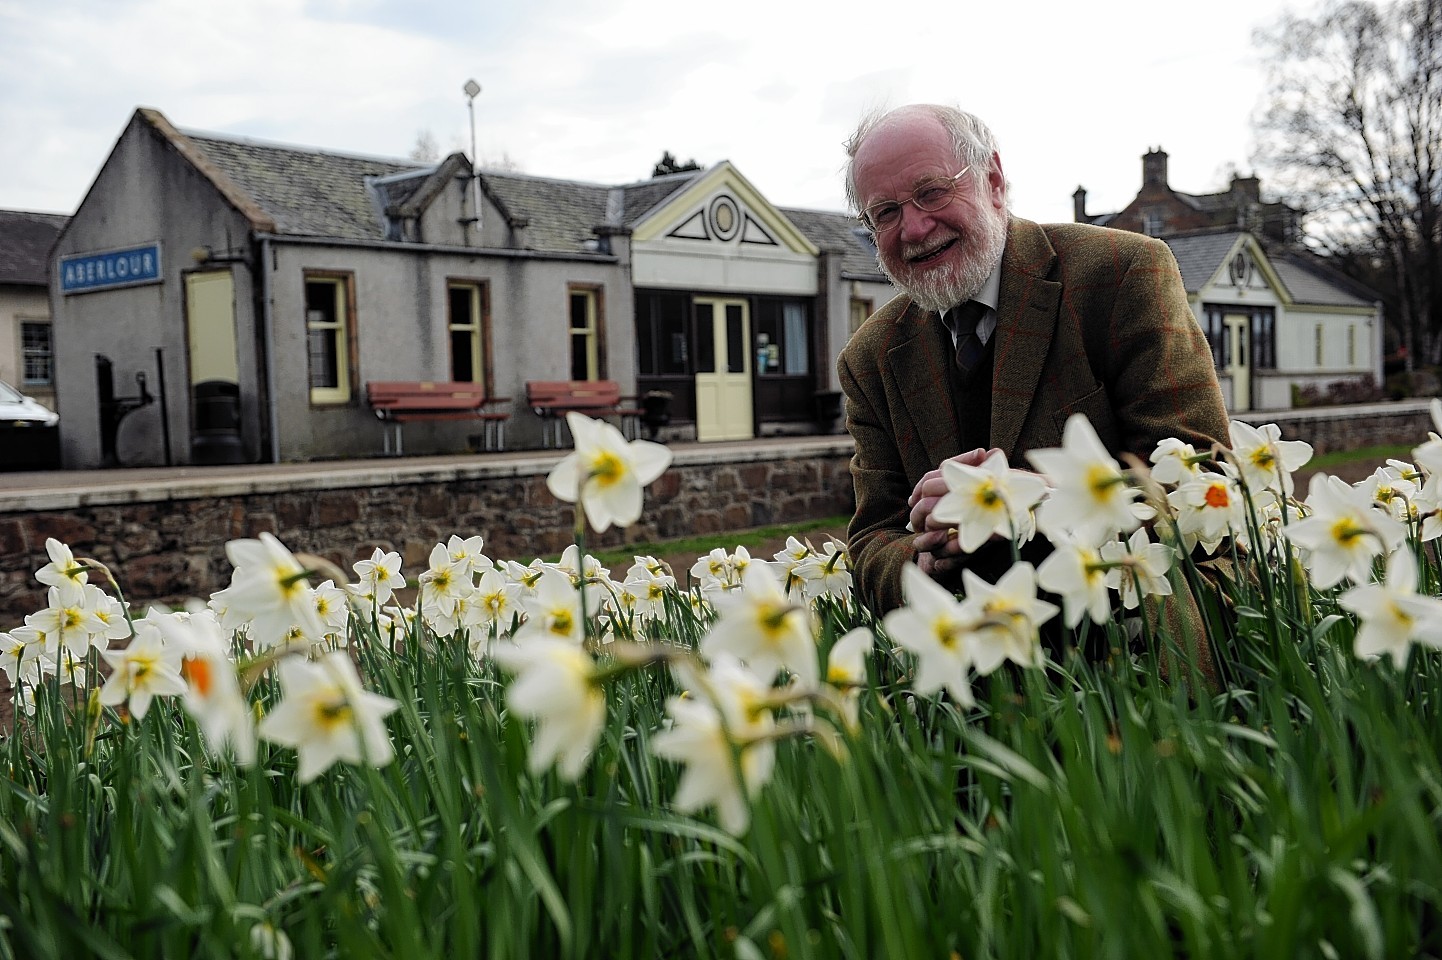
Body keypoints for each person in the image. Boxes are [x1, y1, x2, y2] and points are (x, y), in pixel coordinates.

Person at [838, 104, 1229, 618]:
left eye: (931, 192)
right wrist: (928, 555)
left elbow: (1204, 483)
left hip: (1134, 628)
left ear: (993, 181)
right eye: (885, 212)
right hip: (983, 649)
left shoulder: (1120, 275)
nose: (912, 228)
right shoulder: (871, 358)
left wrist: (1035, 499)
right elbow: (870, 543)